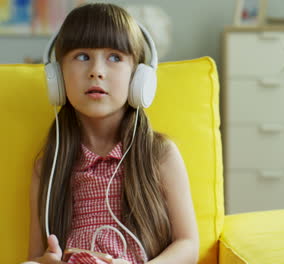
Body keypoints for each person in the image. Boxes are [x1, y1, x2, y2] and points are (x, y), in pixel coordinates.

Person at [26, 3, 199, 264]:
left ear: (139, 78)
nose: (96, 71)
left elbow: (188, 245)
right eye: (82, 56)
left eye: (115, 57)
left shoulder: (159, 154)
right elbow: (36, 256)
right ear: (58, 77)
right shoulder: (48, 166)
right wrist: (44, 262)